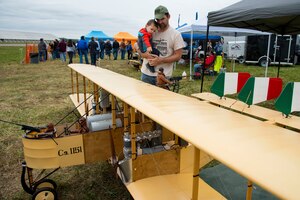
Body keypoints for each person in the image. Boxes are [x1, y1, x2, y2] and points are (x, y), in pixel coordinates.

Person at [139, 5, 185, 85]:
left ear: (168, 16)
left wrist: (161, 60)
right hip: (146, 74)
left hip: (163, 76)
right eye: (157, 19)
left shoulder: (176, 34)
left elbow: (178, 56)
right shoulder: (151, 30)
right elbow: (137, 45)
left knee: (162, 98)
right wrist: (144, 54)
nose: (160, 22)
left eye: (162, 19)